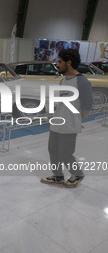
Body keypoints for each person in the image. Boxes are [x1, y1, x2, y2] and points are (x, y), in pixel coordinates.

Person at [40, 48, 92, 188]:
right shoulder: (63, 81)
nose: (57, 64)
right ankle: (58, 176)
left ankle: (78, 174)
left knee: (66, 154)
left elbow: (87, 106)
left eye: (60, 61)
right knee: (53, 151)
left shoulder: (82, 82)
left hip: (69, 125)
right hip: (57, 123)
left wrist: (77, 120)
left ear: (69, 63)